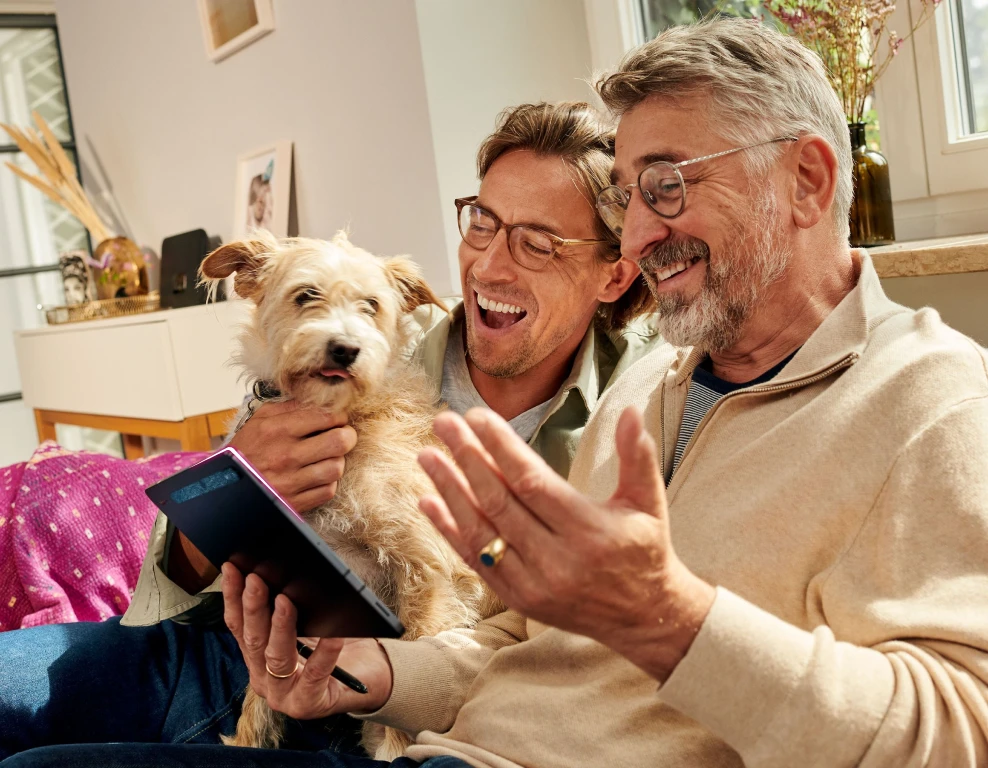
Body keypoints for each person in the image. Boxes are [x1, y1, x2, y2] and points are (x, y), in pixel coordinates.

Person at [211, 17, 986, 768]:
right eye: (628, 198)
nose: (641, 234)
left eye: (667, 187)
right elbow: (518, 642)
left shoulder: (938, 402)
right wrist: (372, 672)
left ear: (807, 180)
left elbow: (963, 734)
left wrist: (669, 619)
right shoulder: (650, 383)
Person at [0, 102, 659, 766]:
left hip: (393, 713)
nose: (488, 267)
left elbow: (577, 657)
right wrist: (232, 483)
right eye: (483, 222)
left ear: (616, 272)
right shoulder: (370, 337)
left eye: (538, 243)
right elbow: (175, 574)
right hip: (211, 650)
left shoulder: (647, 411)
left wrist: (399, 694)